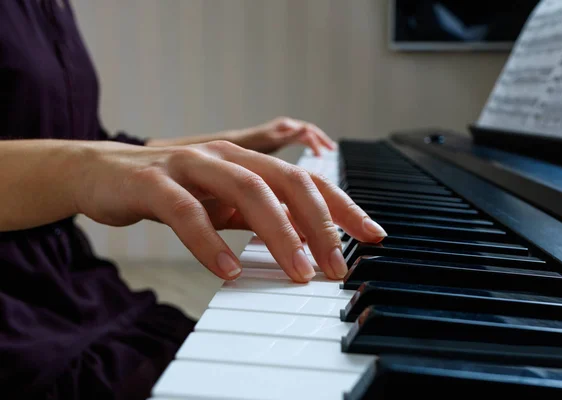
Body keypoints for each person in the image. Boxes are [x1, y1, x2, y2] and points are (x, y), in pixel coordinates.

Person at [0, 1, 388, 399]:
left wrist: (240, 143)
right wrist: (84, 171)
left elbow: (95, 148)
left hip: (71, 282)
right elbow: (90, 160)